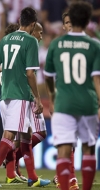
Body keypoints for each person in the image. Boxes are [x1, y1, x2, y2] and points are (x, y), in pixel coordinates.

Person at [0, 7, 50, 187]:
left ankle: (33, 178)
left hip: (6, 95)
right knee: (9, 136)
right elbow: (30, 74)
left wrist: (10, 68)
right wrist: (37, 98)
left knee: (26, 134)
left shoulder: (5, 39)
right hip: (20, 95)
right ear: (33, 23)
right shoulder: (31, 41)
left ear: (20, 20)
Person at [44, 2, 100, 190]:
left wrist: (52, 97)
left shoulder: (56, 44)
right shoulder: (94, 45)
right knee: (88, 148)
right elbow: (97, 79)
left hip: (63, 102)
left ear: (70, 22)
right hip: (87, 103)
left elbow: (48, 77)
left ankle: (67, 184)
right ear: (87, 22)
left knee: (64, 149)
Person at [52, 12, 79, 190]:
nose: (70, 25)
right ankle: (70, 177)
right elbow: (51, 77)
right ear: (63, 26)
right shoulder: (57, 47)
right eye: (68, 22)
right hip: (64, 97)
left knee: (74, 140)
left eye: (73, 22)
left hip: (82, 98)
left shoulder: (88, 44)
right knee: (66, 139)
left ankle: (63, 174)